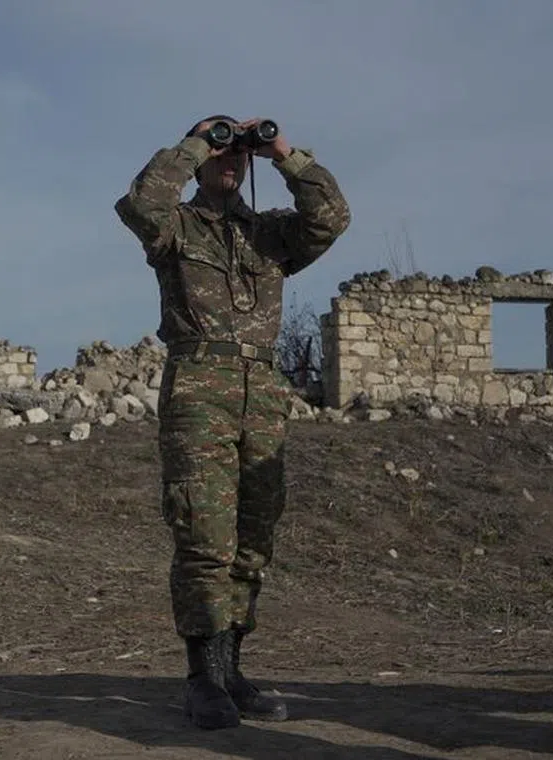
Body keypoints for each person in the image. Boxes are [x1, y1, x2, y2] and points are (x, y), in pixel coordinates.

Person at [114, 115, 350, 729]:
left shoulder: (270, 235)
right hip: (198, 391)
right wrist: (196, 142)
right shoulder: (175, 226)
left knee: (253, 540)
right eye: (220, 150)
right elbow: (141, 203)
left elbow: (331, 218)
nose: (228, 158)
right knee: (203, 536)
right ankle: (203, 678)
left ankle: (232, 669)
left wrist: (282, 154)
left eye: (234, 151)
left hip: (263, 397)